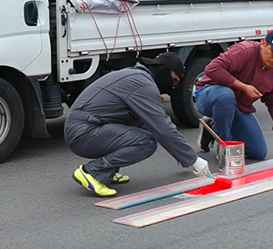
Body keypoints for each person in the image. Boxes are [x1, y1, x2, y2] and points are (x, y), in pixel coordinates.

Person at [64, 52, 210, 197]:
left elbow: (153, 125)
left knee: (142, 124)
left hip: (87, 127)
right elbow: (162, 126)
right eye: (174, 81)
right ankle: (93, 172)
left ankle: (108, 171)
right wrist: (192, 159)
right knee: (145, 142)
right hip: (82, 133)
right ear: (165, 72)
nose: (172, 87)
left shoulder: (137, 77)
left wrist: (180, 153)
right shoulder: (142, 84)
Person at [194, 29, 273, 160]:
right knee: (226, 95)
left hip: (238, 106)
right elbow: (212, 69)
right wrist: (243, 87)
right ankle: (225, 145)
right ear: (263, 43)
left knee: (258, 152)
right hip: (209, 94)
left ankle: (212, 129)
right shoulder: (245, 51)